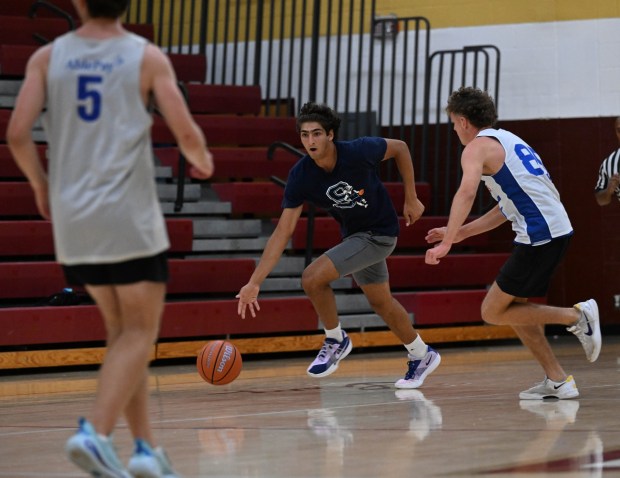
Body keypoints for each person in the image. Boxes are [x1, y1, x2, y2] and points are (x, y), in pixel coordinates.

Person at [6, 0, 214, 476]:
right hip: (126, 214)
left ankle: (146, 451)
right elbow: (185, 130)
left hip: (74, 217)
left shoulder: (47, 57)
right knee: (141, 332)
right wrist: (201, 158)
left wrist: (40, 185)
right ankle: (95, 435)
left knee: (124, 335)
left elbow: (18, 132)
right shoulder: (144, 56)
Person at [236, 102, 441, 389]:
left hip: (379, 234)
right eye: (305, 135)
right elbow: (283, 231)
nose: (310, 141)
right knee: (381, 303)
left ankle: (335, 339)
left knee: (311, 277)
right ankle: (422, 354)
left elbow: (401, 147)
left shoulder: (358, 150)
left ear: (330, 135)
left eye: (317, 133)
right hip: (355, 236)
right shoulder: (301, 175)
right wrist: (254, 282)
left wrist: (411, 196)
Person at [425, 86, 601, 400]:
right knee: (513, 308)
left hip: (541, 234)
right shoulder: (508, 139)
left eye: (453, 122)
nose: (453, 129)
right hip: (550, 230)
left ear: (464, 121)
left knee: (492, 311)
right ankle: (558, 381)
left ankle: (577, 317)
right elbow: (506, 207)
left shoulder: (475, 149)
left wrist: (447, 242)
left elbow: (466, 194)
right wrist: (459, 232)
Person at [594, 116, 620, 206]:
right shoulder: (608, 164)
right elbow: (600, 200)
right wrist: (609, 190)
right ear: (616, 132)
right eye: (619, 130)